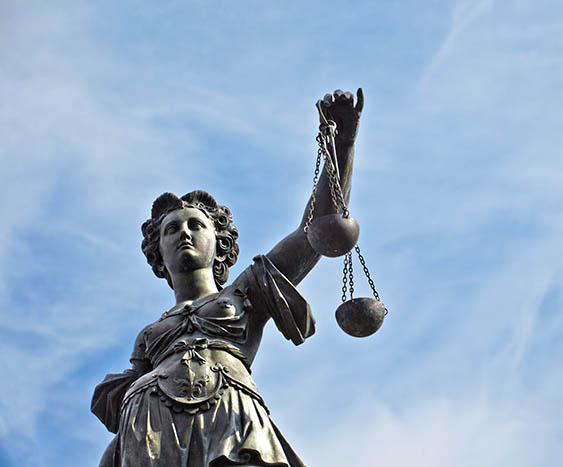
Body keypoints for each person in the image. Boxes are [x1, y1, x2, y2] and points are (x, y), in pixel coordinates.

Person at [92, 89, 364, 467]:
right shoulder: (150, 334)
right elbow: (125, 402)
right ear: (158, 252)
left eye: (195, 225)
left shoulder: (249, 289)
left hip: (231, 418)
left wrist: (342, 143)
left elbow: (314, 232)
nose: (183, 233)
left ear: (218, 242)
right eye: (171, 230)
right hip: (150, 427)